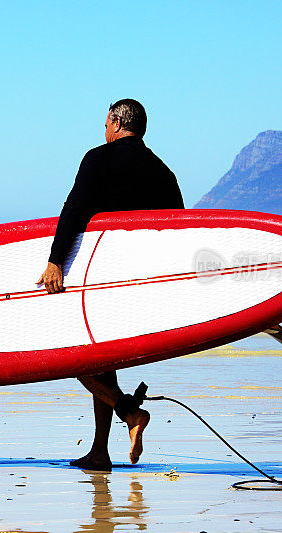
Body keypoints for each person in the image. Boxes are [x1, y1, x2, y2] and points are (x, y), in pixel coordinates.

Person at [36, 99, 184, 471]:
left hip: (102, 282)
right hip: (142, 287)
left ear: (116, 123)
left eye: (106, 124)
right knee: (103, 364)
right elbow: (180, 232)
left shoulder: (99, 158)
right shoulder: (163, 172)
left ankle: (130, 413)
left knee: (74, 358)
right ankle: (100, 452)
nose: (104, 131)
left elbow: (74, 208)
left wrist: (55, 261)